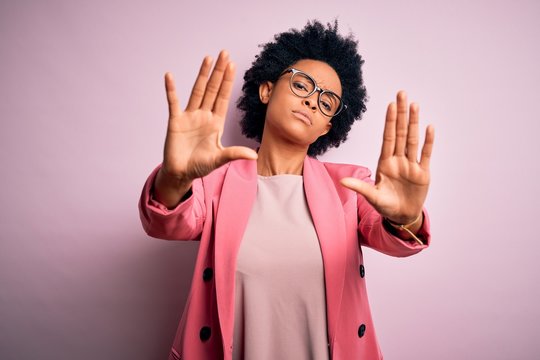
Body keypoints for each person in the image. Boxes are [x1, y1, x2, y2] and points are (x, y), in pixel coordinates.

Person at [139, 20, 434, 360]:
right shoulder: (215, 181)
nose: (312, 102)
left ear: (328, 127)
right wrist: (176, 178)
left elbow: (393, 237)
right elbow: (164, 223)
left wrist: (407, 218)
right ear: (266, 90)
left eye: (327, 103)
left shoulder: (350, 187)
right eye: (302, 84)